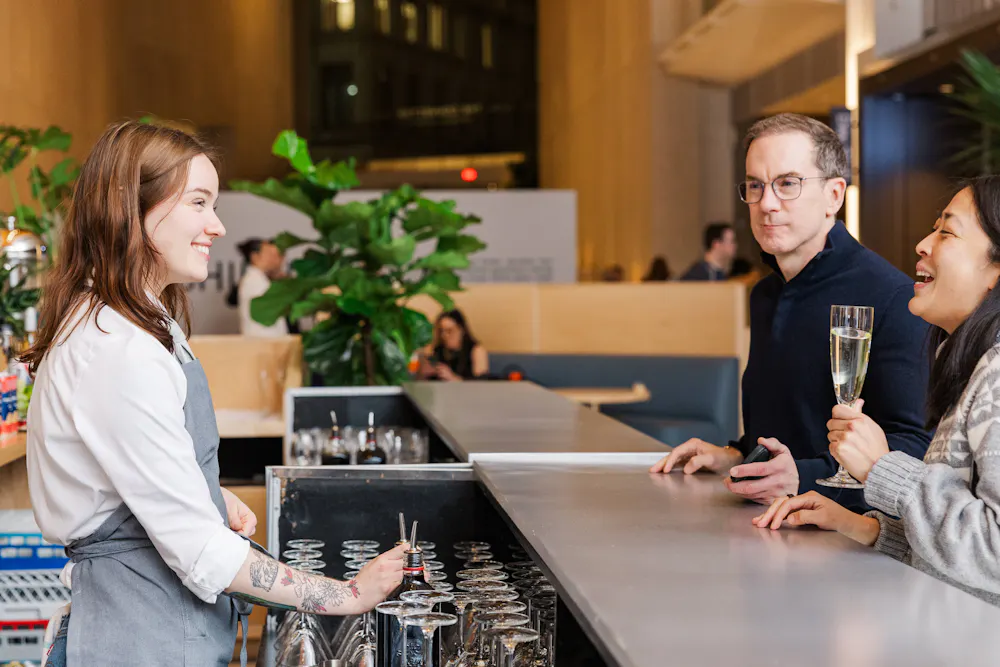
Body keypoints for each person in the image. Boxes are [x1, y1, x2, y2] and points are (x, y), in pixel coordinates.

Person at [24, 121, 405, 667]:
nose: (218, 226)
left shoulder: (132, 323)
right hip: (137, 641)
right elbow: (202, 553)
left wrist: (200, 490)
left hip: (150, 628)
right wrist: (347, 595)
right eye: (199, 203)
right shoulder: (118, 348)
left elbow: (119, 473)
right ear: (131, 210)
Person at [650, 113, 932, 510]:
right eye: (755, 185)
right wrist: (735, 455)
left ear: (835, 195)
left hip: (849, 544)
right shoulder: (765, 294)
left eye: (787, 184)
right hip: (765, 525)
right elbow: (788, 424)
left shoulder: (893, 297)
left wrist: (802, 474)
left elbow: (913, 445)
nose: (766, 203)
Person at [754, 177, 1000, 606]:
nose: (922, 244)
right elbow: (958, 556)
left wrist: (882, 468)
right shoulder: (969, 364)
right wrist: (862, 527)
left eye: (947, 232)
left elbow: (994, 554)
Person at [233, 237, 289, 337]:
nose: (274, 259)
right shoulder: (253, 281)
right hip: (264, 342)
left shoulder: (261, 279)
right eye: (269, 254)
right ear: (255, 257)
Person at [417, 309, 488, 381]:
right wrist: (424, 373)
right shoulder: (439, 350)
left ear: (461, 330)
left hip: (466, 391)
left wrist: (453, 378)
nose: (444, 335)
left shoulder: (476, 350)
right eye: (441, 331)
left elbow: (481, 385)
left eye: (449, 331)